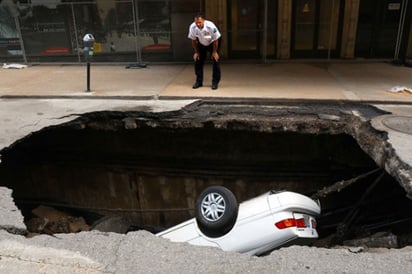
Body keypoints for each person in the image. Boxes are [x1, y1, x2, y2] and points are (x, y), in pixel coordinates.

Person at [188, 13, 221, 90]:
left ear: (203, 21)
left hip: (212, 43)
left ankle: (215, 82)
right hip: (201, 43)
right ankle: (199, 82)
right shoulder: (192, 27)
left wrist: (214, 52)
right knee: (198, 60)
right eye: (196, 23)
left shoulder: (211, 26)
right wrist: (196, 52)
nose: (198, 24)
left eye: (200, 22)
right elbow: (193, 41)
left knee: (215, 60)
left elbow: (216, 40)